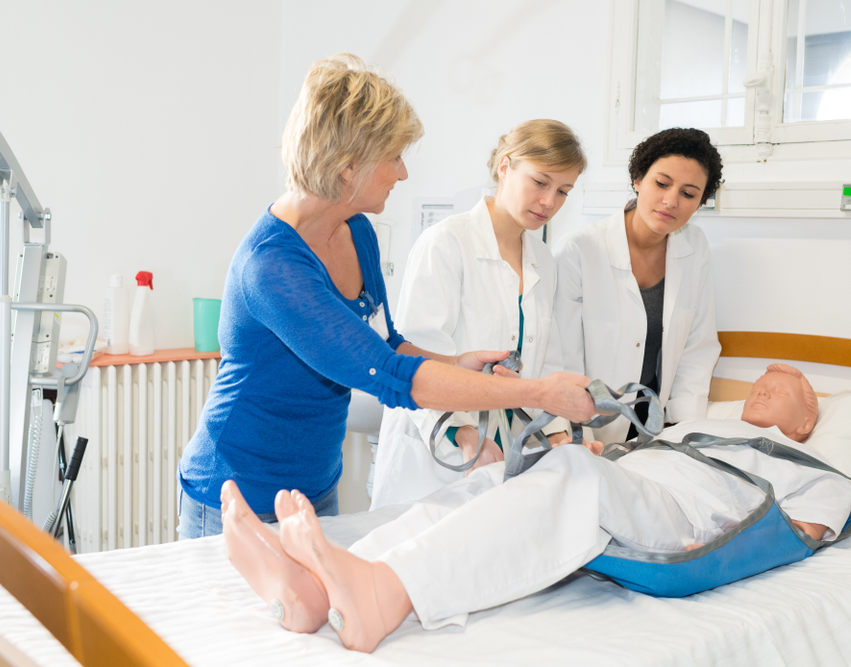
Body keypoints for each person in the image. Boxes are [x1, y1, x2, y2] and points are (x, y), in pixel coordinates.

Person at [177, 54, 596, 539]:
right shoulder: (272, 266)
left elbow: (388, 342)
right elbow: (389, 376)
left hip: (314, 486)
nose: (403, 174)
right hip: (238, 491)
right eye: (393, 157)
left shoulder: (357, 232)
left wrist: (454, 362)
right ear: (346, 167)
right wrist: (537, 392)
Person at [220, 363, 851, 652]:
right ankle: (320, 585)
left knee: (575, 471)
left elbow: (797, 536)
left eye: (785, 387)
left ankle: (385, 594)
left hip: (692, 522)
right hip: (639, 490)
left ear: (810, 418)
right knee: (500, 478)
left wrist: (721, 549)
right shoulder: (689, 429)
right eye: (761, 380)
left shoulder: (822, 472)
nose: (764, 386)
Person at [371, 119, 588, 510]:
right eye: (540, 182)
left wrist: (557, 433)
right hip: (440, 451)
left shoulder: (542, 259)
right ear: (505, 166)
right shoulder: (447, 243)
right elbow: (418, 358)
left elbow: (544, 361)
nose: (550, 202)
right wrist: (465, 433)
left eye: (563, 191)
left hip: (504, 451)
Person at [554, 128, 723, 443]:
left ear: (700, 202)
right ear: (637, 179)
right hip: (587, 426)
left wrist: (683, 432)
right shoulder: (579, 249)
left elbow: (697, 346)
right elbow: (563, 356)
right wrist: (571, 435)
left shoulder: (694, 246)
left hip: (658, 429)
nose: (671, 201)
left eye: (688, 194)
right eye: (661, 184)